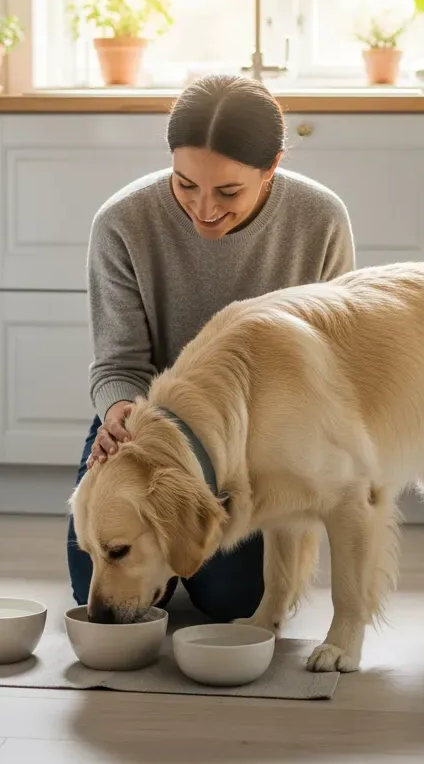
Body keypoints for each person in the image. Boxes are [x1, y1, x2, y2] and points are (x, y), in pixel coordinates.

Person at [67, 73, 357, 622]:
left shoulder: (320, 219)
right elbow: (119, 365)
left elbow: (340, 359)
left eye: (228, 192)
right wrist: (120, 413)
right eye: (184, 184)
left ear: (272, 167)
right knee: (94, 583)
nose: (203, 209)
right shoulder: (123, 222)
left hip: (263, 441)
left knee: (231, 599)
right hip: (148, 426)